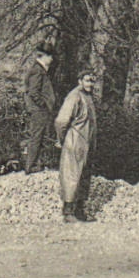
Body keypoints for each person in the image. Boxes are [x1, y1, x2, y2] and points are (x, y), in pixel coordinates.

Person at [54, 68, 99, 223]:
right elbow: (61, 121)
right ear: (80, 81)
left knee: (84, 175)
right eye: (87, 80)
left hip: (87, 142)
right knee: (72, 175)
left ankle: (80, 210)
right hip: (75, 140)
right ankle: (68, 212)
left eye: (92, 80)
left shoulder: (88, 97)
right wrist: (63, 139)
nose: (90, 83)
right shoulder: (74, 97)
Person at [21, 43, 58, 173]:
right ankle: (30, 166)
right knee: (36, 137)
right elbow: (33, 92)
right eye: (50, 56)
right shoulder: (37, 70)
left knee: (38, 136)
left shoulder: (39, 70)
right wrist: (43, 105)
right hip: (38, 110)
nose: (52, 59)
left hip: (39, 109)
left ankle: (34, 164)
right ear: (44, 56)